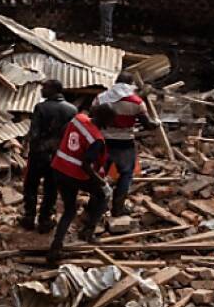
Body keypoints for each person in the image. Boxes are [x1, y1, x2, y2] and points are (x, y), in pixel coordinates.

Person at [46, 105, 117, 264]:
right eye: (112, 120)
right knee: (103, 195)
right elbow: (86, 165)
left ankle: (55, 248)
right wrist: (101, 182)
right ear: (106, 119)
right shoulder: (96, 139)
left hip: (59, 168)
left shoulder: (78, 119)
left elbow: (62, 134)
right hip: (76, 175)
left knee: (69, 210)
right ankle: (89, 231)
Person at [96, 73, 158, 217]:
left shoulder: (101, 98)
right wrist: (157, 124)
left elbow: (93, 118)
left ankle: (97, 207)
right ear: (130, 84)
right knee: (125, 175)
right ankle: (118, 209)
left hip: (103, 141)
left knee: (99, 174)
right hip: (125, 143)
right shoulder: (136, 102)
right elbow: (148, 124)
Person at [22, 79, 76, 233]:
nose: (41, 90)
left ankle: (29, 217)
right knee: (51, 188)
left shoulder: (41, 107)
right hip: (58, 155)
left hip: (39, 153)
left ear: (53, 89)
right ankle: (45, 220)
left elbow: (34, 134)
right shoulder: (72, 110)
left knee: (31, 185)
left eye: (44, 87)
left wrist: (30, 149)